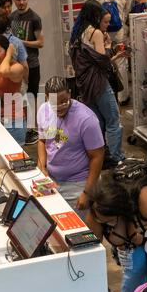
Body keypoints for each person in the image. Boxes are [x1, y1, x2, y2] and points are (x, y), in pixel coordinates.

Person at [87, 176, 147, 292]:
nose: (100, 221)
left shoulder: (144, 198)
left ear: (119, 212)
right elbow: (91, 253)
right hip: (134, 247)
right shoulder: (96, 215)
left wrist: (144, 235)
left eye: (108, 220)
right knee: (133, 279)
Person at [37, 76, 104, 219]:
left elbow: (97, 156)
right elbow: (42, 141)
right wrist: (42, 166)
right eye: (55, 103)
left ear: (69, 93)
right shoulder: (44, 110)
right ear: (47, 98)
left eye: (63, 101)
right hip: (52, 180)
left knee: (79, 232)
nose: (60, 106)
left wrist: (87, 192)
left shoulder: (86, 119)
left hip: (78, 185)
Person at [69, 0, 125, 166]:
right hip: (99, 82)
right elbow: (103, 61)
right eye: (105, 21)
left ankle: (98, 156)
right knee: (113, 119)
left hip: (85, 85)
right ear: (95, 15)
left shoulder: (78, 33)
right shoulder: (96, 33)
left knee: (97, 121)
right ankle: (117, 158)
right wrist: (111, 49)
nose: (106, 24)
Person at [84, 0, 134, 105]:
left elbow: (87, 11)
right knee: (121, 61)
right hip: (119, 31)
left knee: (101, 62)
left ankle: (106, 95)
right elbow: (128, 9)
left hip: (98, 32)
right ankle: (123, 96)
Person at [10, 0, 44, 145]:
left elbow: (40, 43)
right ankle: (22, 129)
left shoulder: (35, 18)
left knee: (31, 97)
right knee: (17, 98)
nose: (22, 2)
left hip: (32, 63)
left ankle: (31, 130)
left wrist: (20, 42)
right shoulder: (11, 17)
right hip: (15, 65)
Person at [0, 34, 25, 145]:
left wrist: (9, 54)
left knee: (15, 159)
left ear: (7, 50)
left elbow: (4, 72)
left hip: (13, 120)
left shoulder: (17, 67)